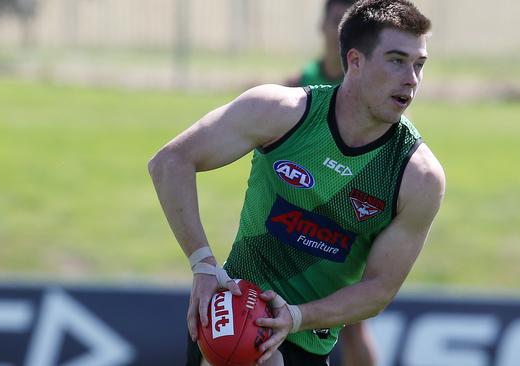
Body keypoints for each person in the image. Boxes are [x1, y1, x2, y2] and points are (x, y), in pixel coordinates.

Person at [149, 1, 445, 365]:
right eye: (397, 60)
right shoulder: (279, 112)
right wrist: (203, 267)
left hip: (306, 339)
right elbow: (169, 162)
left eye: (419, 65)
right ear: (356, 61)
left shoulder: (417, 176)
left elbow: (379, 290)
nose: (411, 78)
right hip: (233, 322)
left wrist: (297, 316)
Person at [287, 2, 377, 365]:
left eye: (347, 22)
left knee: (350, 322)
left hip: (348, 217)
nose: (339, 29)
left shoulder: (374, 87)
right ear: (321, 24)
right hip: (297, 218)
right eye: (334, 20)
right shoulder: (297, 85)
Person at [286, 0, 355, 87]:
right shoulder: (299, 83)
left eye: (348, 25)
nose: (342, 32)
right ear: (322, 25)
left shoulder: (361, 85)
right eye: (336, 21)